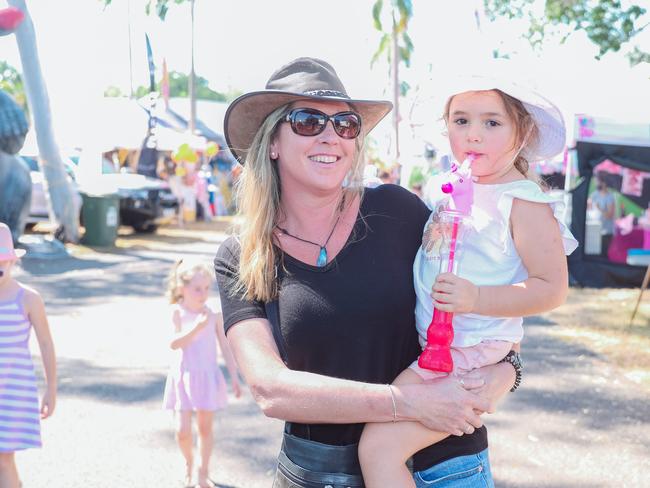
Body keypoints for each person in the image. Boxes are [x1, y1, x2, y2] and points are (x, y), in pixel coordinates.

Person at [214, 57, 517, 488]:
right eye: (307, 121)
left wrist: (507, 370)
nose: (330, 136)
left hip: (446, 466)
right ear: (273, 142)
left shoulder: (400, 211)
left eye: (346, 124)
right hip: (316, 474)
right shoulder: (242, 255)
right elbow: (270, 388)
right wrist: (409, 403)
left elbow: (483, 308)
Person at [358, 77, 579, 486]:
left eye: (492, 123)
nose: (473, 134)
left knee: (378, 450)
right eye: (461, 120)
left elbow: (551, 288)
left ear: (523, 132)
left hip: (468, 353)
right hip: (439, 346)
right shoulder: (452, 189)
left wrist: (476, 297)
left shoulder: (523, 201)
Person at [163, 258, 241, 488]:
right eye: (197, 289)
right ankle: (188, 462)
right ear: (182, 289)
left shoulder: (213, 314)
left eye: (206, 288)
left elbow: (225, 346)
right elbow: (174, 343)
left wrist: (235, 376)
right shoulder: (177, 312)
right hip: (183, 377)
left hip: (206, 377)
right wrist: (196, 327)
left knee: (205, 429)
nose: (203, 293)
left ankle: (202, 472)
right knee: (182, 431)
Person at [0, 222, 56, 488]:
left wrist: (51, 389)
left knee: (3, 458)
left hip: (12, 390)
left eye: (3, 263)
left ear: (12, 261)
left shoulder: (28, 299)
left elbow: (46, 343)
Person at [588, 174, 616, 257]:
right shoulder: (594, 195)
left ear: (604, 183)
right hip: (595, 231)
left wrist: (599, 208)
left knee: (603, 255)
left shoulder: (609, 197)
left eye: (598, 182)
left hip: (606, 232)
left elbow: (610, 215)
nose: (596, 184)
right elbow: (588, 207)